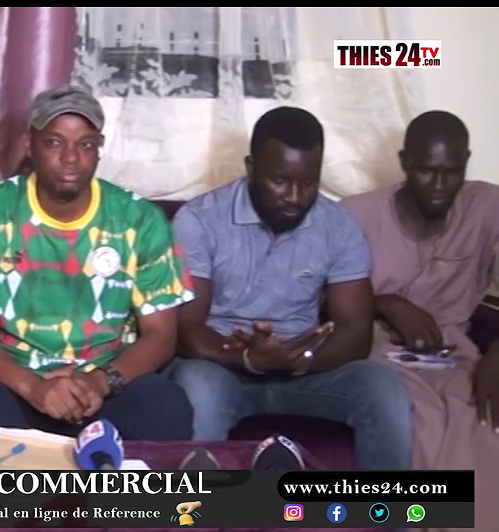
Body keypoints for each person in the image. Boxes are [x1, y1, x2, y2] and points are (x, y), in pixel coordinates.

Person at [0, 84, 196, 451]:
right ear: (29, 144)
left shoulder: (140, 220)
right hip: (15, 384)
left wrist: (99, 382)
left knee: (165, 403)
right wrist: (34, 387)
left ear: (99, 147)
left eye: (85, 144)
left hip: (104, 388)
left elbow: (161, 335)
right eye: (54, 143)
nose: (71, 157)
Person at [167, 106, 413, 470]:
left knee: (384, 389)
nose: (295, 197)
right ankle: (193, 504)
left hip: (306, 371)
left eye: (309, 183)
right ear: (251, 167)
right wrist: (249, 359)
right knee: (197, 385)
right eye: (280, 181)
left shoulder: (339, 227)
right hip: (223, 367)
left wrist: (299, 359)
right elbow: (185, 327)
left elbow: (356, 333)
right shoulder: (200, 220)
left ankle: (387, 508)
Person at [341, 110, 499, 531]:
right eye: (427, 171)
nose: (440, 185)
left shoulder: (487, 207)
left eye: (452, 172)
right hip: (377, 349)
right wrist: (387, 304)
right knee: (421, 422)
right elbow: (320, 298)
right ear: (404, 162)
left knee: (482, 419)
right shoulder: (357, 215)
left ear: (467, 163)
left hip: (454, 352)